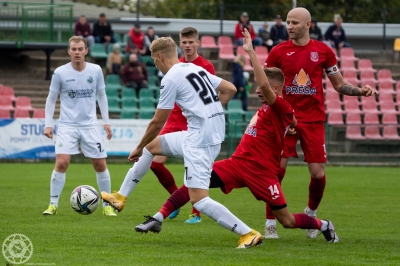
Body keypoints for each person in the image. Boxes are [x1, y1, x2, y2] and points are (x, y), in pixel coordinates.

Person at [133, 29, 340, 244]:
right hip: (238, 164)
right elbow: (291, 120)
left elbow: (278, 102)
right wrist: (294, 125)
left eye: (264, 88)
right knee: (194, 183)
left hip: (262, 173)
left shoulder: (280, 106)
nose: (258, 90)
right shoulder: (270, 109)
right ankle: (158, 218)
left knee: (286, 221)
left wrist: (250, 52)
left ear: (276, 88)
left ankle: (324, 225)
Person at [101, 37, 263, 248]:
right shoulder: (194, 69)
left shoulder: (171, 78)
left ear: (159, 56)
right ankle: (119, 197)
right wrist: (212, 110)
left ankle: (248, 233)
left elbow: (157, 121)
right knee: (152, 148)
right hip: (200, 134)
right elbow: (230, 88)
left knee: (199, 200)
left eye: (154, 61)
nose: (156, 65)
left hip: (200, 142)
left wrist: (138, 147)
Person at [264, 7, 377, 238]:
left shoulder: (323, 51)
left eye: (295, 22)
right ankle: (270, 222)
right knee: (276, 170)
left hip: (313, 120)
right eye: (287, 22)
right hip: (285, 118)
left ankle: (311, 214)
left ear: (308, 24)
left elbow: (338, 83)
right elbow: (267, 86)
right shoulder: (278, 52)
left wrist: (359, 91)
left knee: (317, 173)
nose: (290, 26)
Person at [42, 36, 116, 217]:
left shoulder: (96, 70)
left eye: (80, 49)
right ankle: (52, 205)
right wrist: (48, 124)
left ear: (86, 51)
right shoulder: (60, 73)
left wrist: (106, 121)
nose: (77, 52)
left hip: (90, 126)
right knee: (61, 162)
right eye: (73, 49)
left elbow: (102, 96)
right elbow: (51, 99)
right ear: (69, 51)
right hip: (67, 125)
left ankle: (107, 205)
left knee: (99, 164)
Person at [149, 27, 217, 224]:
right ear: (180, 44)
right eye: (184, 42)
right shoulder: (174, 65)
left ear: (198, 43)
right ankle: (175, 202)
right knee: (155, 163)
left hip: (194, 124)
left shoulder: (205, 66)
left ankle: (196, 213)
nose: (187, 45)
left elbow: (213, 96)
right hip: (174, 120)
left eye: (191, 42)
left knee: (192, 169)